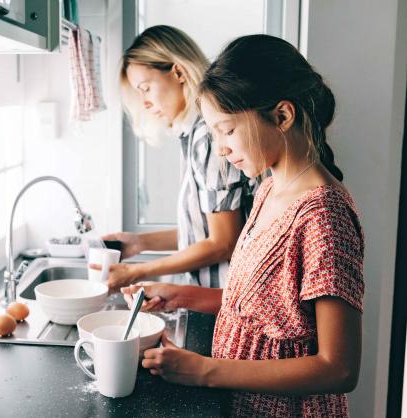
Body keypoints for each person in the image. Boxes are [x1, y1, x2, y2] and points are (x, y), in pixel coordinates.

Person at [122, 34, 365, 417]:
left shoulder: (324, 216)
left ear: (282, 116)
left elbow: (339, 367)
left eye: (228, 130)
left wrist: (204, 371)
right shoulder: (269, 189)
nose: (219, 148)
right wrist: (179, 296)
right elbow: (263, 313)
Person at [92, 25, 256, 292]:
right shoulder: (192, 137)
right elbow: (203, 233)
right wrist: (139, 242)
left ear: (178, 72)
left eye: (145, 88)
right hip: (211, 298)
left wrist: (138, 271)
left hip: (226, 302)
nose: (143, 102)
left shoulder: (208, 136)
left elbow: (224, 242)